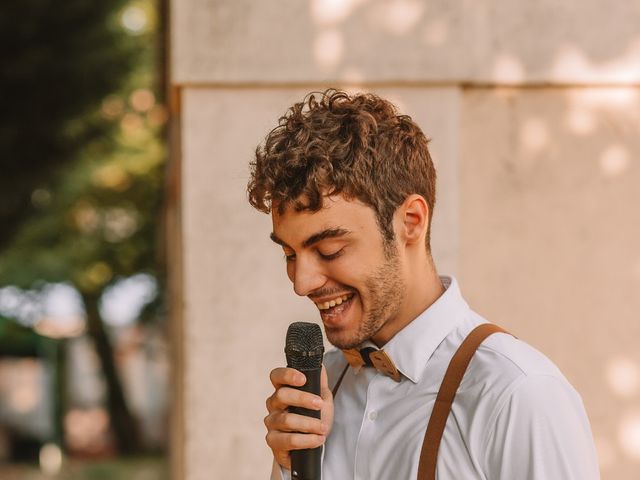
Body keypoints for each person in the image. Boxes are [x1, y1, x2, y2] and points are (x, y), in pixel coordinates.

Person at [248, 89, 600, 479]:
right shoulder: (321, 388)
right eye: (290, 254)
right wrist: (289, 468)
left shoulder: (518, 393)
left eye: (329, 249)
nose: (302, 283)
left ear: (411, 221)